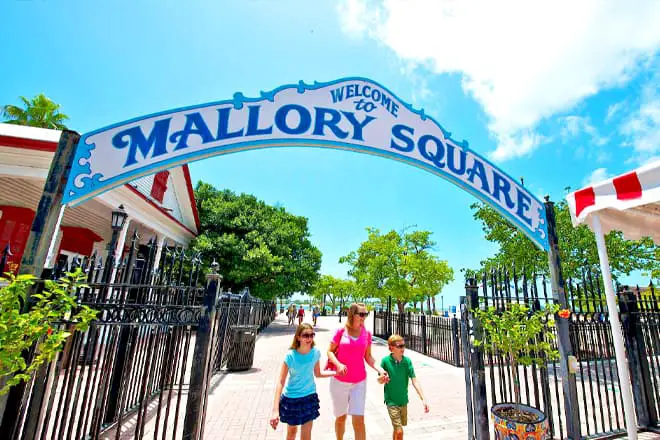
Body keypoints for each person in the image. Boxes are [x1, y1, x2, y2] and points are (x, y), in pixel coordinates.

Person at [326, 303, 389, 440]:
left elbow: (368, 356)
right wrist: (338, 364)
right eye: (361, 314)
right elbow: (330, 351)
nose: (364, 317)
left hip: (359, 382)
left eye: (366, 314)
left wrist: (380, 370)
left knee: (359, 421)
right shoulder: (340, 332)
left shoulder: (367, 334)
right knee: (341, 418)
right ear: (352, 314)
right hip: (339, 382)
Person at [270, 323, 335, 439]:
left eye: (312, 335)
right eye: (305, 335)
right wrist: (275, 410)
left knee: (306, 436)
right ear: (298, 337)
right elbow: (281, 382)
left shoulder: (315, 353)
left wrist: (335, 373)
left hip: (309, 397)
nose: (309, 338)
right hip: (292, 399)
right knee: (291, 433)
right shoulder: (290, 356)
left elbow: (318, 373)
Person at [378, 335, 429, 440]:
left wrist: (423, 399)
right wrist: (382, 379)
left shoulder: (407, 361)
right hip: (391, 401)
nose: (403, 348)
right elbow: (379, 379)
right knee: (399, 431)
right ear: (391, 348)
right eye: (400, 346)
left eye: (403, 345)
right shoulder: (385, 361)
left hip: (403, 401)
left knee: (397, 429)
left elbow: (414, 380)